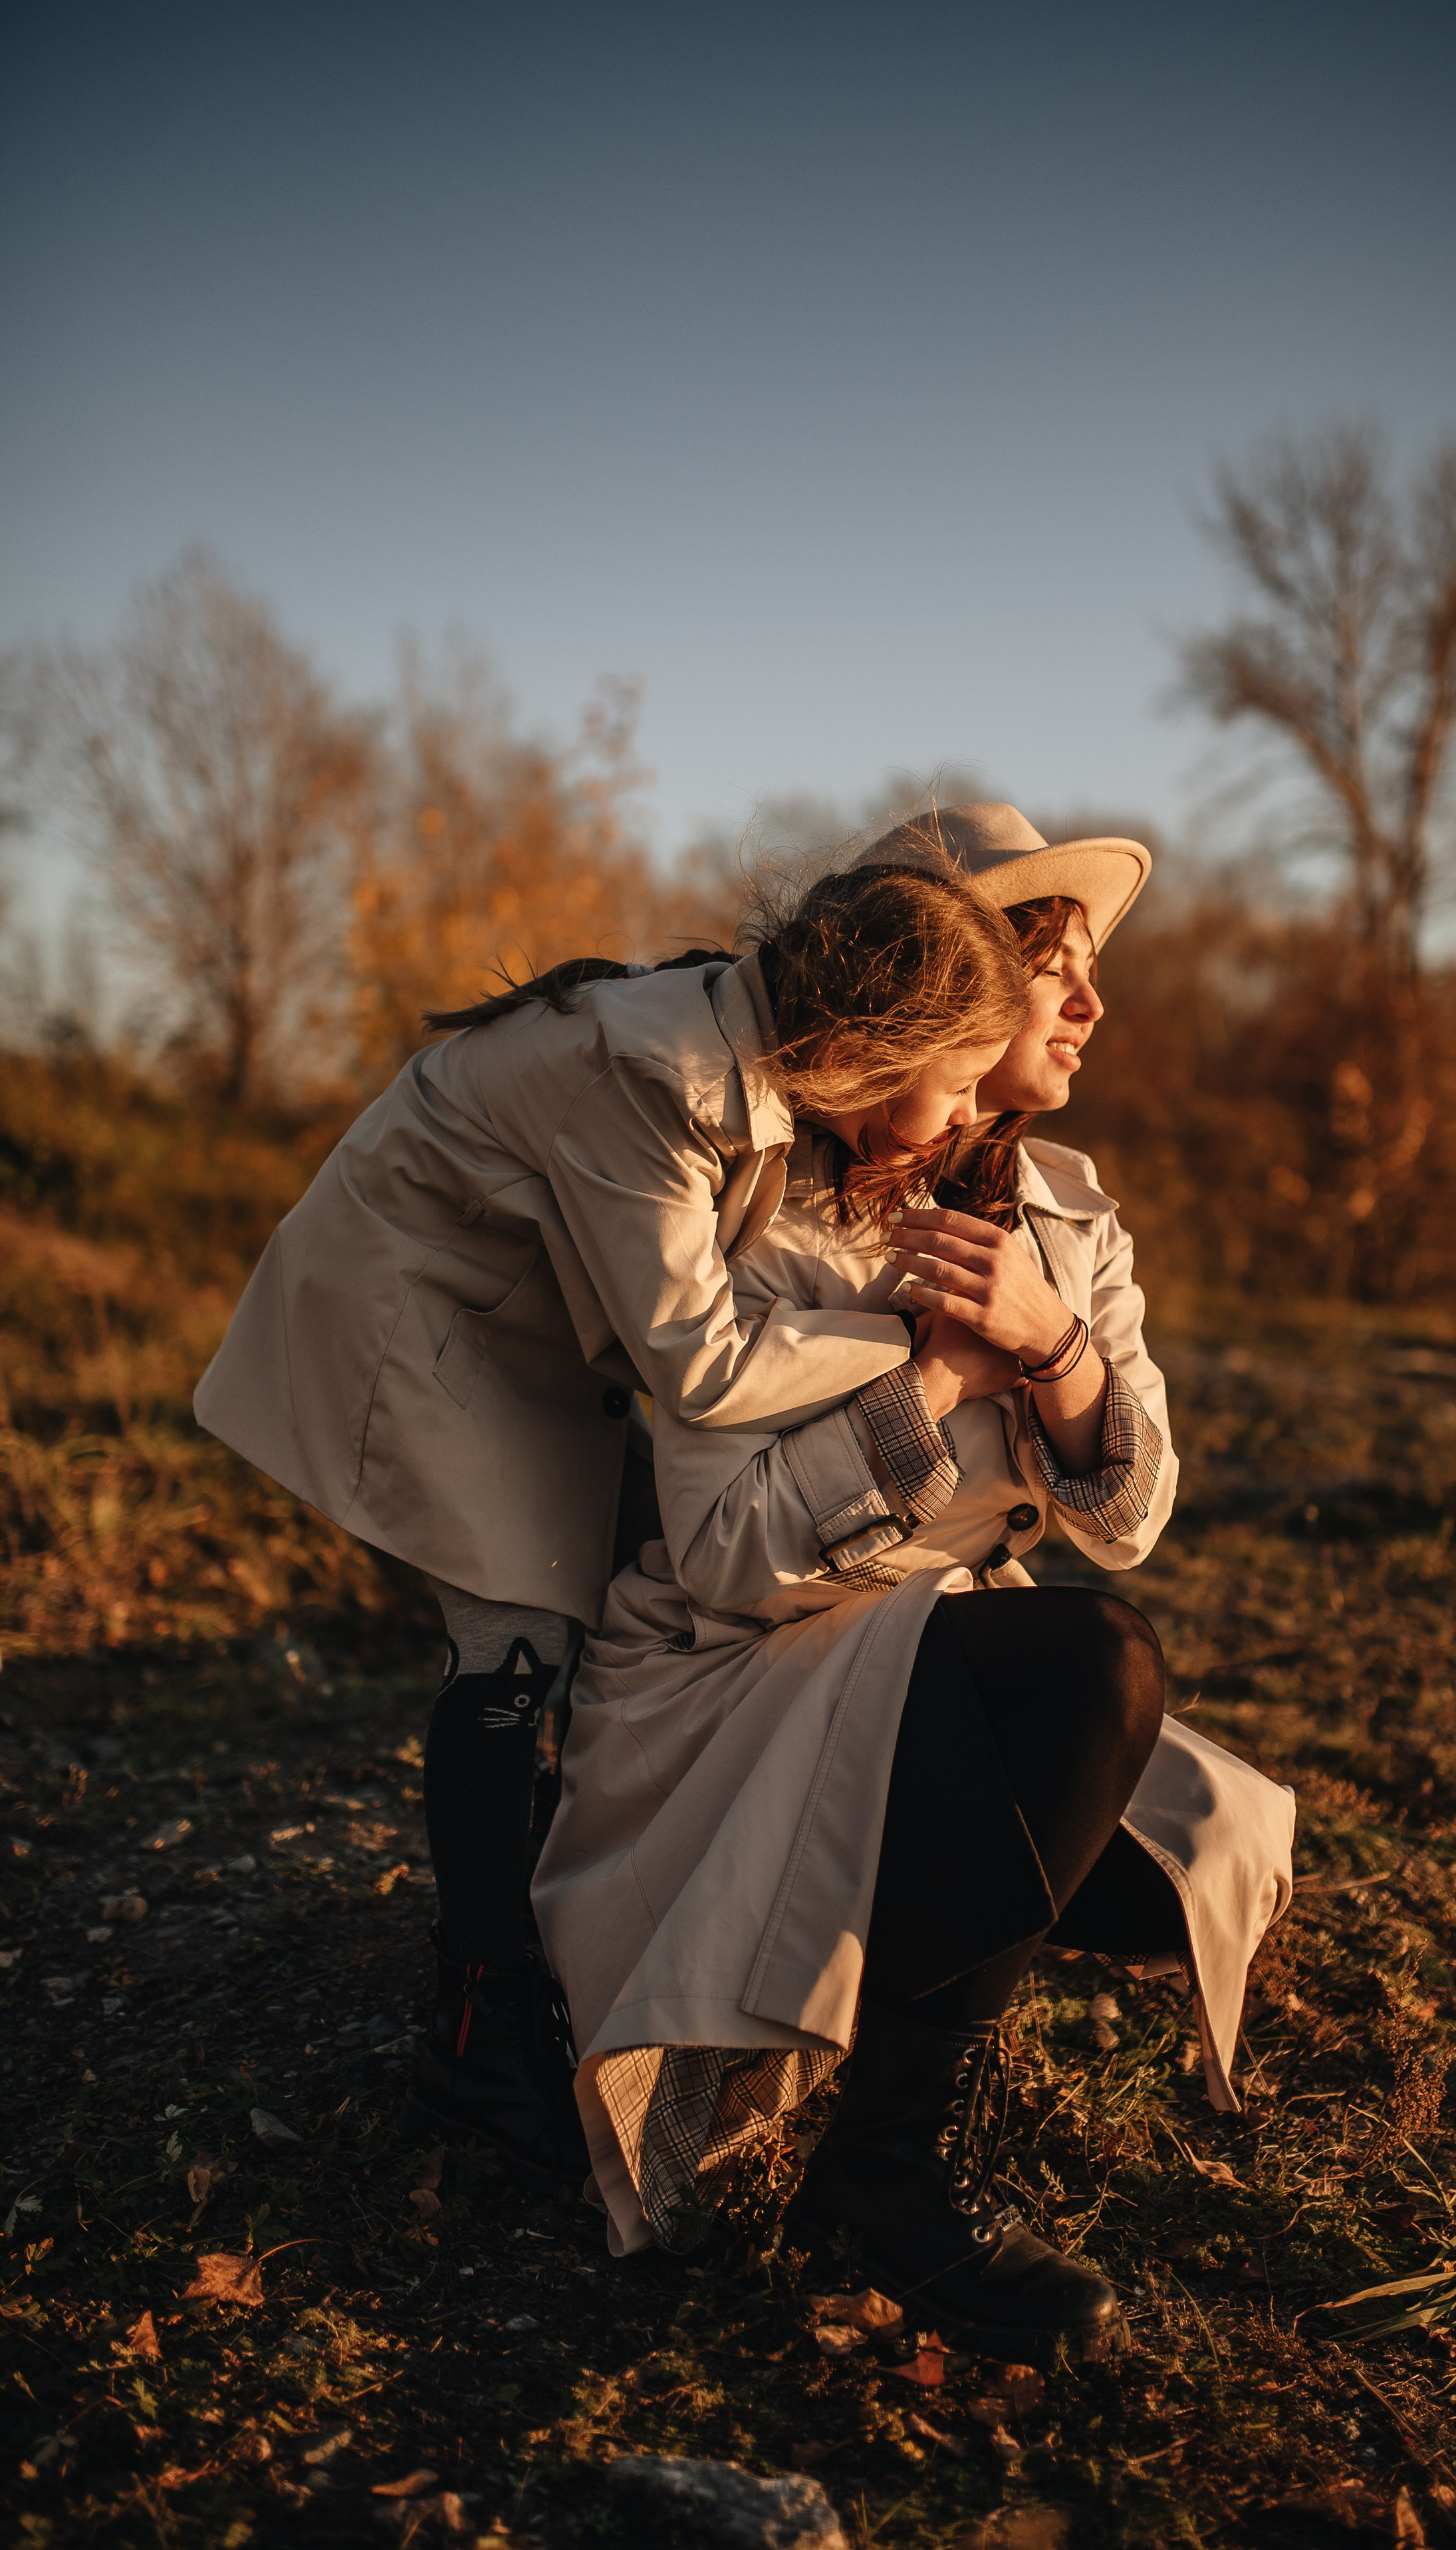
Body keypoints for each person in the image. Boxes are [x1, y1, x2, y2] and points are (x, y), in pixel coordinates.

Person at [533, 804, 1295, 2360]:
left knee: (1174, 1885)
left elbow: (1131, 1511)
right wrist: (938, 1378)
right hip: (742, 1683)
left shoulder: (1070, 1217)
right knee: (1101, 1676)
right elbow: (735, 1559)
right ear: (939, 991)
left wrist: (1052, 1345)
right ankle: (887, 2175)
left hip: (918, 1671)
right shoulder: (760, 1208)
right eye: (1054, 972)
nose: (1093, 1008)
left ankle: (881, 1973)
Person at [191, 860, 1031, 2186]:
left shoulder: (757, 1053)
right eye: (965, 1079)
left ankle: (593, 1957)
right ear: (868, 1047)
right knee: (516, 1640)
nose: (973, 1112)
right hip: (421, 1313)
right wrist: (917, 1340)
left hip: (534, 1317)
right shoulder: (656, 1077)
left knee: (638, 1592)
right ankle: (475, 2034)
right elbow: (697, 1363)